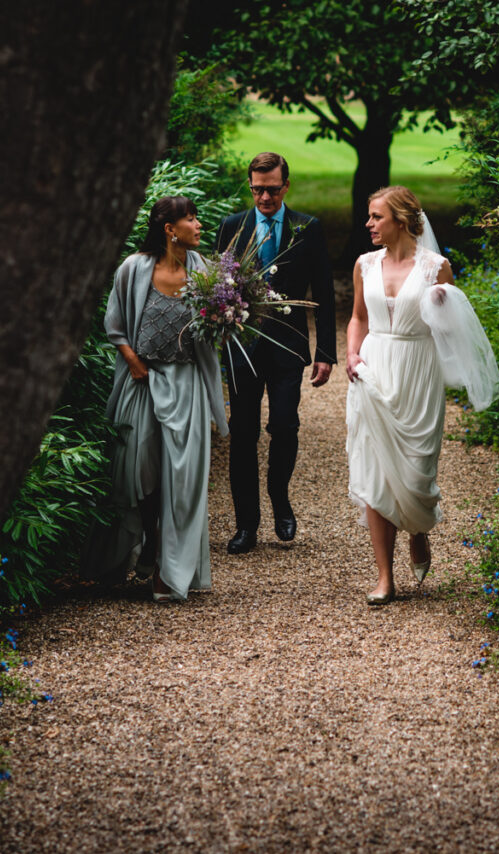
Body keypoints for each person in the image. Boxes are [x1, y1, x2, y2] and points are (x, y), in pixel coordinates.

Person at [346, 186, 499, 605]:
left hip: (417, 369)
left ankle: (418, 528)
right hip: (375, 365)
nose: (369, 224)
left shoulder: (437, 267)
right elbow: (358, 317)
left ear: (400, 219)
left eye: (376, 217)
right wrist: (352, 354)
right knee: (377, 471)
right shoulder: (365, 264)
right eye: (369, 216)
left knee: (416, 469)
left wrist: (442, 305)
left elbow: (453, 332)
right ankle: (384, 577)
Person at [82, 196, 229, 602]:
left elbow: (215, 336)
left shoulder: (206, 274)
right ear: (170, 229)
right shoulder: (133, 269)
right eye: (191, 218)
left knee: (181, 479)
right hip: (140, 381)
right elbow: (114, 325)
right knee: (136, 473)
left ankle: (169, 570)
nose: (199, 225)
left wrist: (229, 317)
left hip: (185, 384)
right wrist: (131, 360)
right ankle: (145, 540)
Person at [214, 152, 336, 554]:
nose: (264, 197)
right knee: (243, 434)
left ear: (286, 185)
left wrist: (326, 352)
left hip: (288, 345)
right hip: (242, 348)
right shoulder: (232, 226)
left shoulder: (308, 228)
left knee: (285, 425)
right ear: (250, 186)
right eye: (257, 189)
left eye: (271, 189)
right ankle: (246, 524)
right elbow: (218, 288)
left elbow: (323, 291)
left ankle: (279, 498)